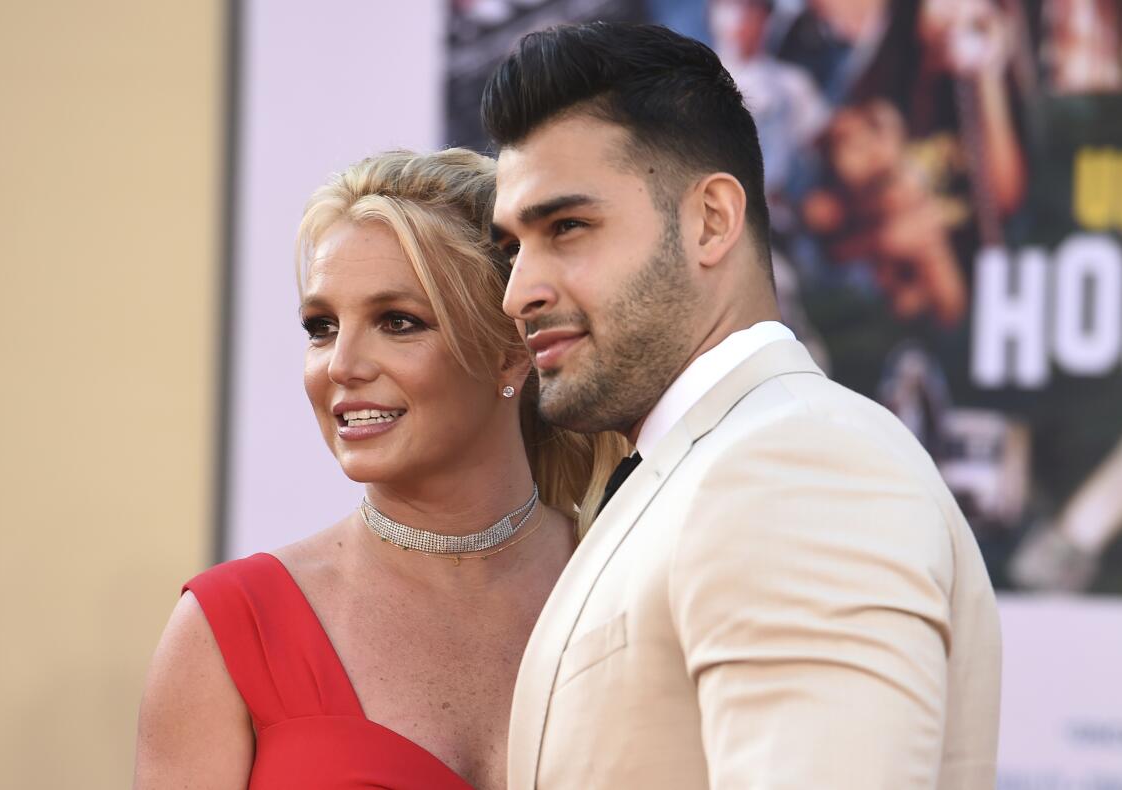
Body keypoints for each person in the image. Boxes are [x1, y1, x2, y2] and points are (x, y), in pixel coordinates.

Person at [483, 22, 1002, 789]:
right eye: (512, 246)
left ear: (712, 220)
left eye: (567, 227)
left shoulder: (797, 469)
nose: (518, 291)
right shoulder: (715, 465)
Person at [133, 149, 627, 789]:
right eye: (321, 327)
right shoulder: (229, 630)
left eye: (398, 322)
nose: (342, 364)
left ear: (511, 354)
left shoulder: (632, 582)